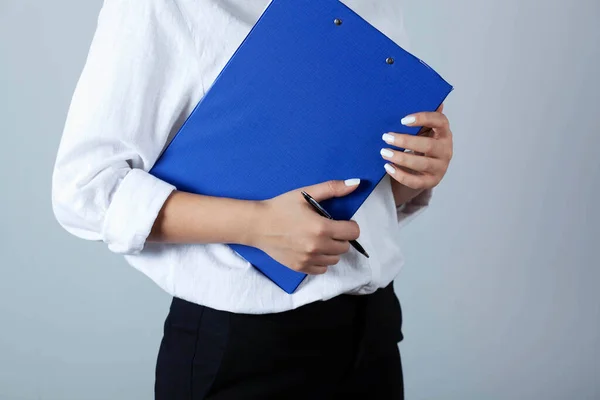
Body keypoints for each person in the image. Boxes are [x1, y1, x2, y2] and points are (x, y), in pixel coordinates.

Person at [51, 1, 453, 399]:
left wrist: (416, 171)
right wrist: (258, 223)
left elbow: (375, 198)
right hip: (246, 351)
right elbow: (85, 191)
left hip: (373, 334)